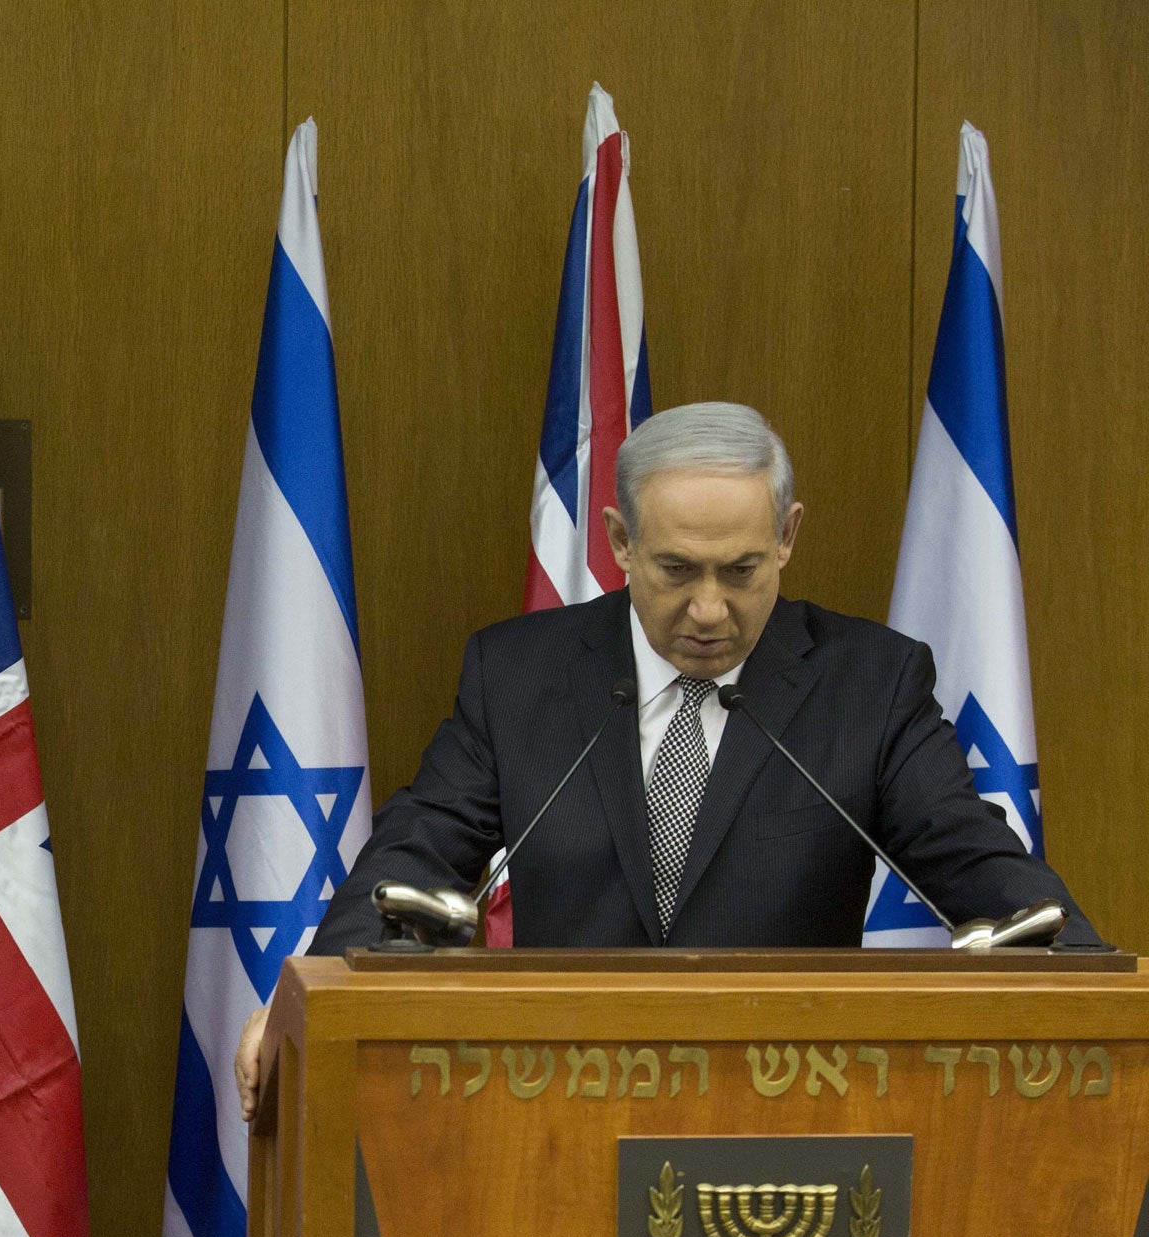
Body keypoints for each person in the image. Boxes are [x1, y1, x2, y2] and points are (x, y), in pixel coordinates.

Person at [235, 401, 1100, 1116]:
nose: (710, 609)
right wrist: (304, 1001)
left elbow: (976, 858)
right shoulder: (520, 675)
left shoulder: (868, 684)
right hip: (554, 1110)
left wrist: (1101, 1002)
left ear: (790, 536)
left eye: (742, 570)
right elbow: (415, 851)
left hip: (790, 1123)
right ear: (618, 540)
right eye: (677, 569)